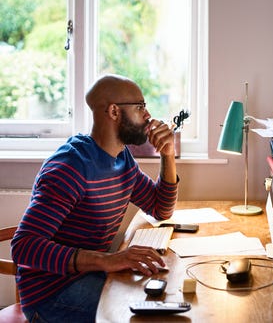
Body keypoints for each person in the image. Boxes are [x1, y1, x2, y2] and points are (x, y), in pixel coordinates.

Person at [11, 74, 179, 322]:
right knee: (147, 316)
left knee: (163, 298)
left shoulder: (122, 160)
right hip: (51, 295)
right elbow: (24, 247)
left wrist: (168, 154)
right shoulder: (70, 167)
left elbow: (160, 209)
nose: (148, 116)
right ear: (113, 112)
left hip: (91, 276)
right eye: (140, 107)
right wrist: (108, 260)